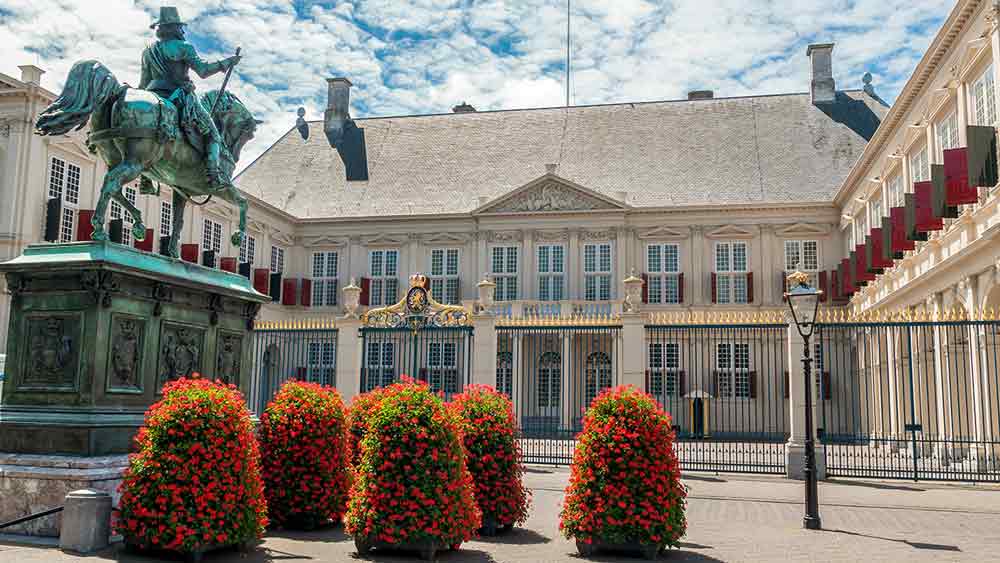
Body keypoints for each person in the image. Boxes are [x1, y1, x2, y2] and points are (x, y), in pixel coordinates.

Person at [139, 7, 241, 193]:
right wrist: (227, 62)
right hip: (179, 98)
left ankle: (145, 179)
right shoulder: (184, 47)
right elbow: (203, 71)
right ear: (177, 28)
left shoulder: (148, 52)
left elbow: (143, 84)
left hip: (153, 96)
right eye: (180, 27)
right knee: (213, 135)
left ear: (161, 28)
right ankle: (212, 175)